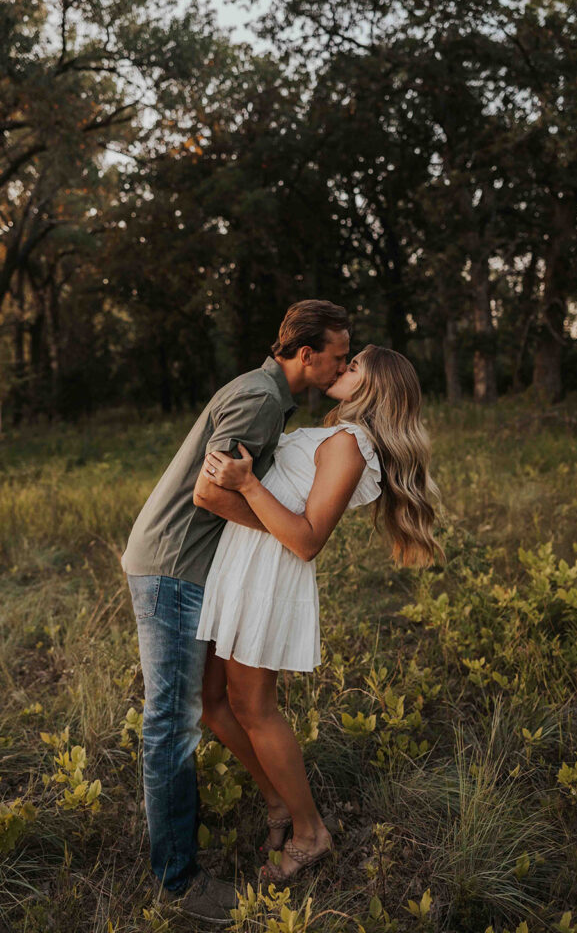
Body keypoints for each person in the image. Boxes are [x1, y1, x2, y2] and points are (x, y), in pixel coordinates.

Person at [121, 300, 350, 924]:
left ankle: (277, 809)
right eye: (338, 353)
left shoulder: (269, 398)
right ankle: (178, 883)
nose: (343, 363)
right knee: (170, 723)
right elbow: (208, 491)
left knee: (196, 708)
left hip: (188, 568)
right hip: (174, 567)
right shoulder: (257, 400)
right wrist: (287, 534)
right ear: (306, 353)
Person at [196, 344, 441, 885]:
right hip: (243, 559)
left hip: (270, 571)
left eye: (354, 366)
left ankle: (310, 832)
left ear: (373, 387)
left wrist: (246, 483)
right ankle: (277, 802)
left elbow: (307, 540)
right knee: (212, 701)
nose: (342, 366)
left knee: (253, 707)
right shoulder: (336, 435)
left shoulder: (353, 445)